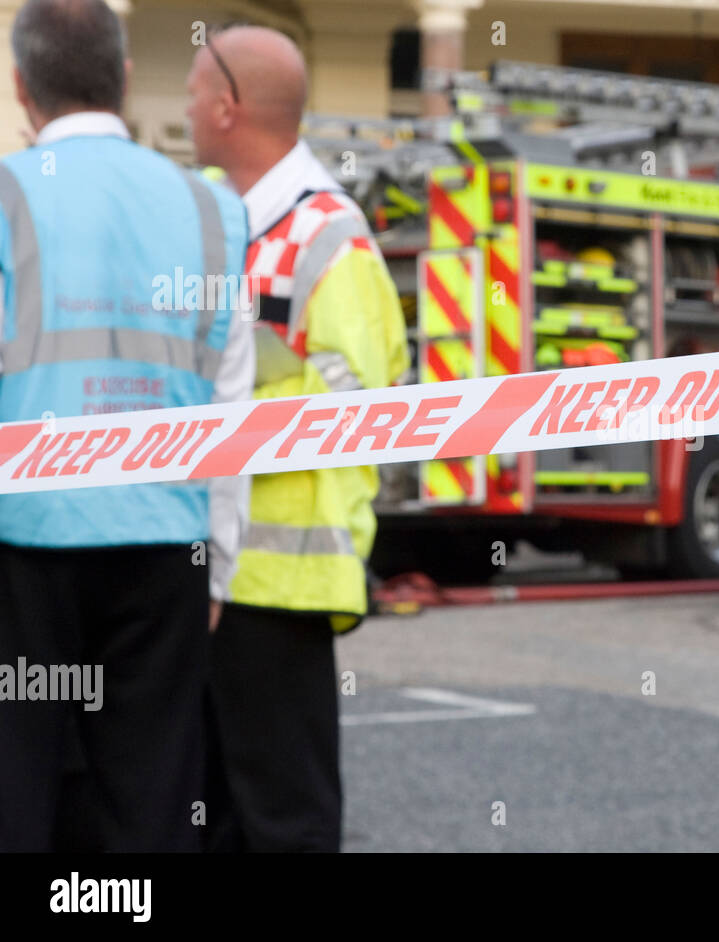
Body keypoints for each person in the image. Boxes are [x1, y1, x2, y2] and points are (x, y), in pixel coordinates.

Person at [0, 0, 253, 851]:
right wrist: (217, 562)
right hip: (162, 543)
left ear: (20, 84)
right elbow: (232, 405)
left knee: (20, 783)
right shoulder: (214, 210)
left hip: (24, 547)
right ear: (127, 76)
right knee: (149, 791)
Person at [186, 26, 409, 852]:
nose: (181, 109)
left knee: (286, 823)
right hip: (211, 570)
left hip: (283, 580)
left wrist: (244, 384)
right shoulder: (214, 216)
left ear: (226, 106)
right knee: (212, 819)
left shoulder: (327, 235)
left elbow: (365, 407)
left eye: (187, 93)